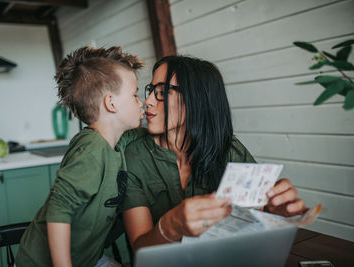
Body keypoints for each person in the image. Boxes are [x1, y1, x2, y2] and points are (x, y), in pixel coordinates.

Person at [122, 55, 307, 251]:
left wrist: (273, 209)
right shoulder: (134, 157)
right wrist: (169, 226)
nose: (148, 101)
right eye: (151, 90)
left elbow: (258, 214)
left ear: (196, 99)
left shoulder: (228, 149)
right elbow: (139, 248)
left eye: (162, 91)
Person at [15, 46, 145, 267]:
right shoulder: (92, 149)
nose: (141, 102)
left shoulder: (117, 140)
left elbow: (147, 133)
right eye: (134, 94)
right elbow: (59, 206)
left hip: (87, 259)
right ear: (111, 103)